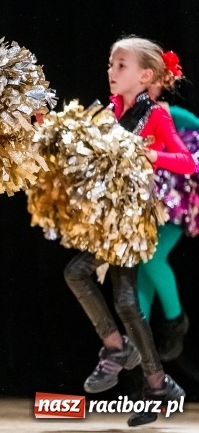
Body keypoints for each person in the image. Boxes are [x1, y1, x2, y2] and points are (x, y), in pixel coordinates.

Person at [63, 36, 192, 427]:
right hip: (112, 219)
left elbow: (187, 162)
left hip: (135, 221)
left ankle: (117, 350)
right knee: (124, 301)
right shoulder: (110, 111)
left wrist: (153, 154)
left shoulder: (155, 115)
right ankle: (156, 384)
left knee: (79, 273)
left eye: (121, 65)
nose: (111, 71)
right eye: (110, 64)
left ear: (145, 75)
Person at [140, 77, 198, 361]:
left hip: (175, 206)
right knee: (141, 268)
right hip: (142, 204)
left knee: (151, 259)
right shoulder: (125, 118)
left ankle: (176, 321)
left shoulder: (174, 115)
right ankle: (141, 348)